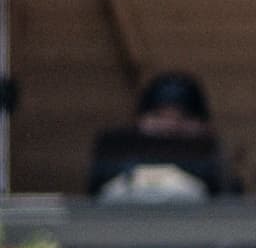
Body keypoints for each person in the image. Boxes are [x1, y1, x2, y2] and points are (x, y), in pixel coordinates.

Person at [88, 70, 236, 200]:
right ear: (140, 120)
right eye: (159, 117)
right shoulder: (114, 151)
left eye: (183, 118)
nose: (170, 126)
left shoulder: (212, 158)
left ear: (204, 126)